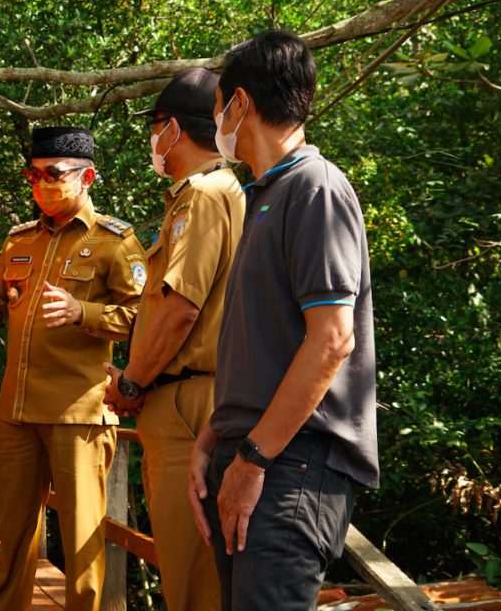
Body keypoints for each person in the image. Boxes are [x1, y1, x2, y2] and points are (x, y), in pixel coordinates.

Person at [186, 31, 378, 611]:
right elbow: (263, 344)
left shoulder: (316, 189)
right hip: (254, 453)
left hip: (291, 463)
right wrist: (213, 436)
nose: (215, 119)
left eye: (218, 104)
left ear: (240, 103)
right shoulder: (265, 194)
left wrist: (253, 458)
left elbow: (332, 341)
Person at [0, 127, 145, 611]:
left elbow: (144, 320)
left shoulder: (117, 242)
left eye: (53, 174)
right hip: (17, 412)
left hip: (79, 415)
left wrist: (83, 313)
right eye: (33, 174)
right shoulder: (19, 240)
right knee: (13, 538)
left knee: (83, 544)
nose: (40, 184)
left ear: (87, 176)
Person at [102, 68, 243, 611]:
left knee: (189, 576)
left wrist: (133, 382)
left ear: (174, 131)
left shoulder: (203, 195)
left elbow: (181, 309)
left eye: (155, 126)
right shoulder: (213, 193)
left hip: (185, 401)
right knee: (193, 570)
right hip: (187, 396)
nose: (153, 140)